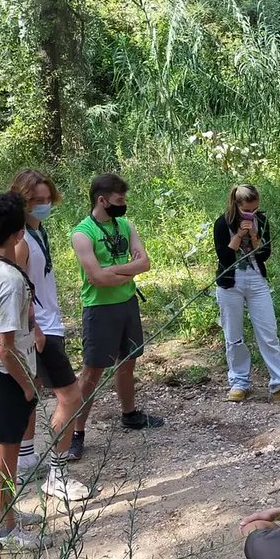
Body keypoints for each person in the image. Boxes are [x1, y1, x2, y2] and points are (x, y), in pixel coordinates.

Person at [0, 192, 48, 552]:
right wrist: (27, 386)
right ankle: (6, 529)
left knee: (4, 447)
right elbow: (6, 345)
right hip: (5, 370)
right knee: (8, 453)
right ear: (18, 234)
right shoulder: (9, 280)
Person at [7, 169, 92, 501]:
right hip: (41, 330)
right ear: (21, 201)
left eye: (46, 200)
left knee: (31, 394)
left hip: (46, 325)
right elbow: (15, 289)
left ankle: (26, 458)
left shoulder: (36, 231)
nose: (43, 205)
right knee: (71, 398)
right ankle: (57, 474)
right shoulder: (22, 240)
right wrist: (36, 328)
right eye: (35, 201)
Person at [67, 173, 164, 460]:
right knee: (91, 373)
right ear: (102, 199)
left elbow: (145, 263)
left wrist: (117, 272)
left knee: (128, 362)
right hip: (99, 310)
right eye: (119, 200)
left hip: (127, 304)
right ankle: (76, 432)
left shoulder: (125, 224)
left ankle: (129, 414)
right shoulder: (82, 233)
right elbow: (96, 278)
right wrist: (127, 269)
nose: (124, 205)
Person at [212, 184, 280, 403]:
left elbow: (264, 254)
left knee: (268, 331)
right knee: (233, 336)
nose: (251, 214)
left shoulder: (261, 221)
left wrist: (254, 234)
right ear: (237, 205)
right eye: (247, 210)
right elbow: (225, 257)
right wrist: (239, 234)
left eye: (254, 210)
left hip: (256, 279)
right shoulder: (222, 223)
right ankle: (239, 382)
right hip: (230, 282)